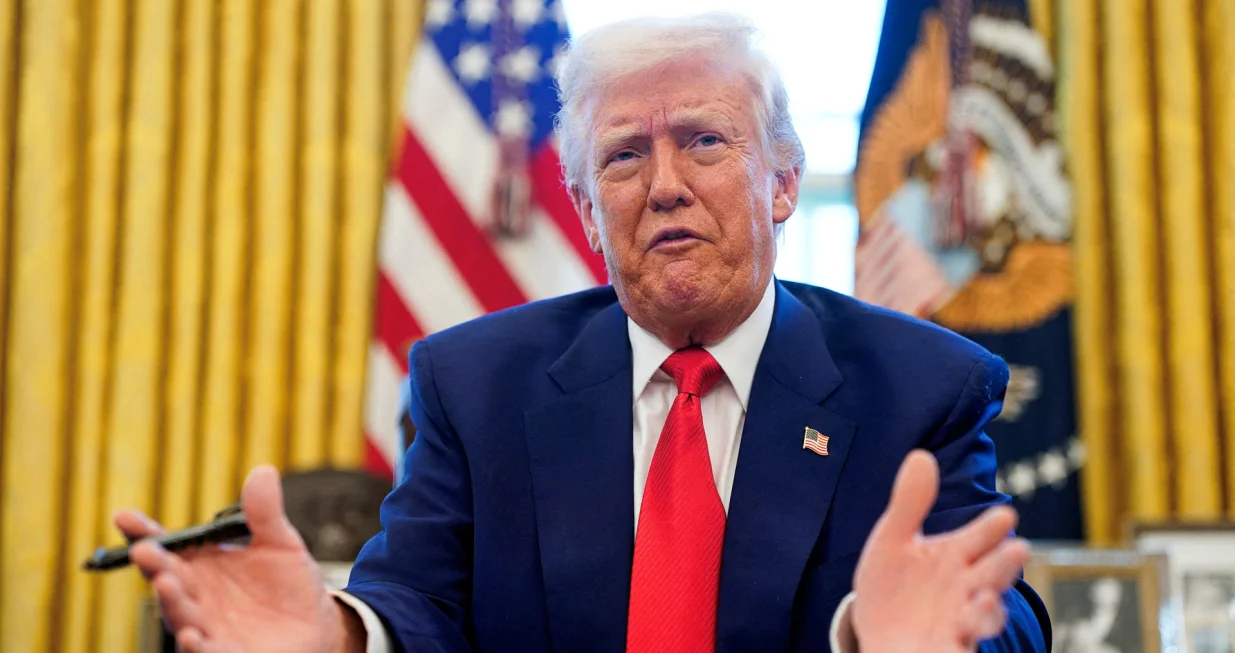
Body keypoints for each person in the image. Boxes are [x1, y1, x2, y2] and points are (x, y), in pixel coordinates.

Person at [117, 13, 1050, 653]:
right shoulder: (477, 383)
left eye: (705, 141)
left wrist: (904, 637)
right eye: (623, 155)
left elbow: (992, 603)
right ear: (585, 210)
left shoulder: (919, 382)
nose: (665, 184)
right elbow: (420, 598)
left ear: (782, 182)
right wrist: (337, 634)